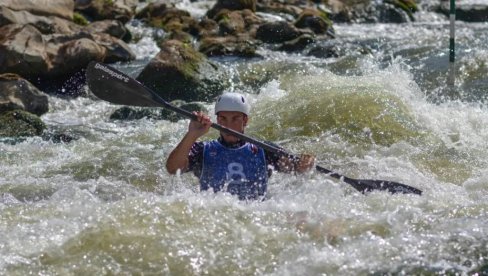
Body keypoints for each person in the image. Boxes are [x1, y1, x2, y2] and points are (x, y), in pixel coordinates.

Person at [166, 92, 315, 200]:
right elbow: (172, 168)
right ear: (217, 120)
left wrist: (305, 163)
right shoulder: (202, 150)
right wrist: (192, 134)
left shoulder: (264, 150)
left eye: (235, 119)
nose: (228, 125)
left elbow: (296, 167)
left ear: (245, 120)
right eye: (223, 118)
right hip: (215, 215)